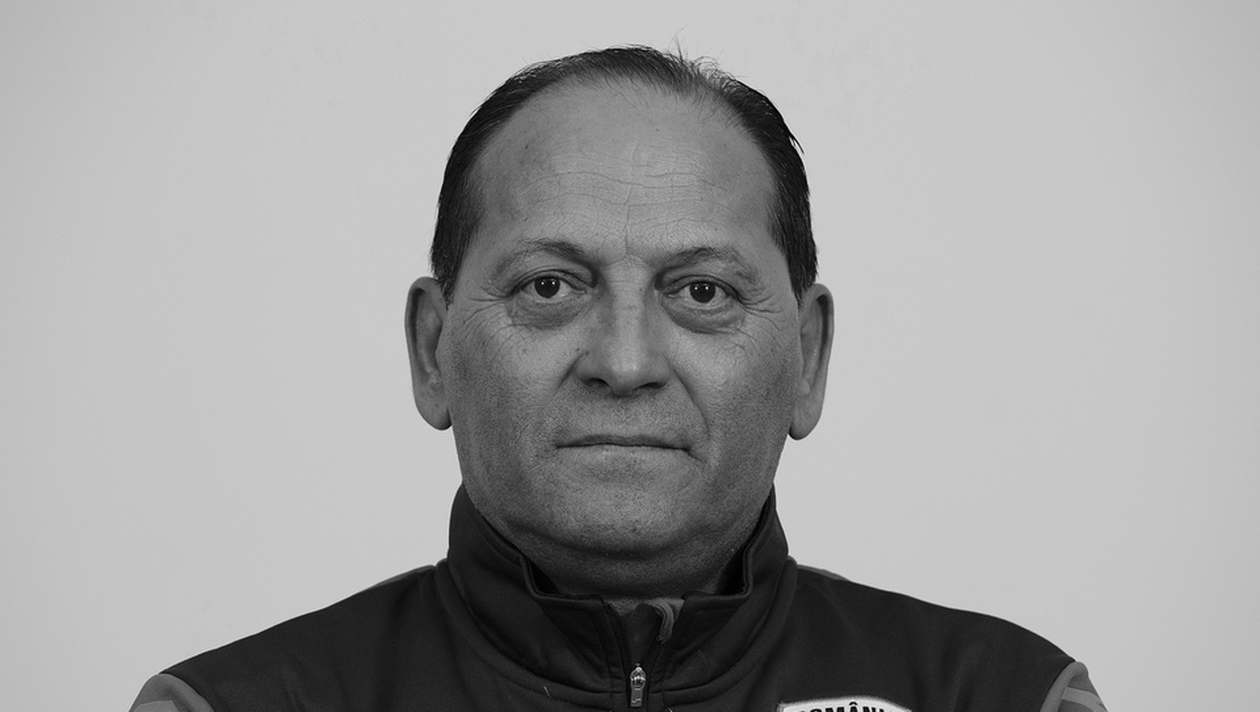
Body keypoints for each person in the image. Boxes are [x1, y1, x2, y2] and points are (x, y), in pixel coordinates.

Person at [130, 46, 1105, 712]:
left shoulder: (1007, 697)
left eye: (703, 292)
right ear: (433, 351)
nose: (626, 363)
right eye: (549, 286)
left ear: (806, 359)